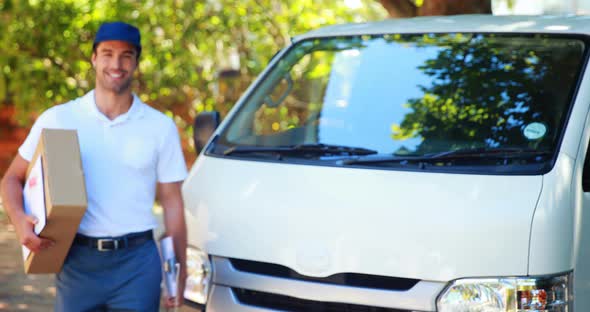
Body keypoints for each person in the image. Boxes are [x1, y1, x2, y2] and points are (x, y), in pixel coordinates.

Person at [0, 21, 188, 311]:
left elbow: (173, 203)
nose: (117, 63)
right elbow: (11, 179)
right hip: (77, 262)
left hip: (137, 265)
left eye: (126, 55)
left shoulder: (160, 127)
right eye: (108, 53)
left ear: (136, 62)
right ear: (94, 58)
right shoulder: (59, 119)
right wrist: (19, 220)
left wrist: (179, 271)